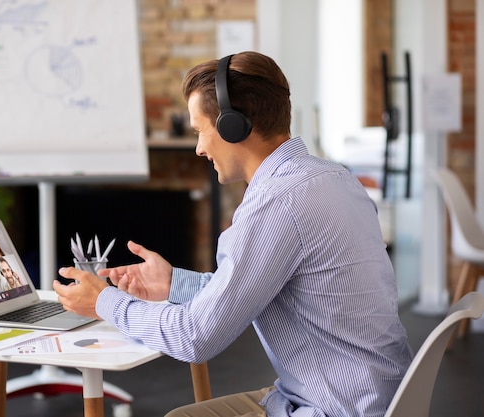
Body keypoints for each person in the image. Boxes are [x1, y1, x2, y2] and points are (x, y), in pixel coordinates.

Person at [53, 51, 413, 417]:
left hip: (334, 407)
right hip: (377, 397)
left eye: (200, 131)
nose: (198, 148)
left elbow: (193, 337)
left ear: (233, 126)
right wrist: (174, 283)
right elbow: (254, 288)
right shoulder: (335, 178)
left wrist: (102, 302)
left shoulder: (277, 204)